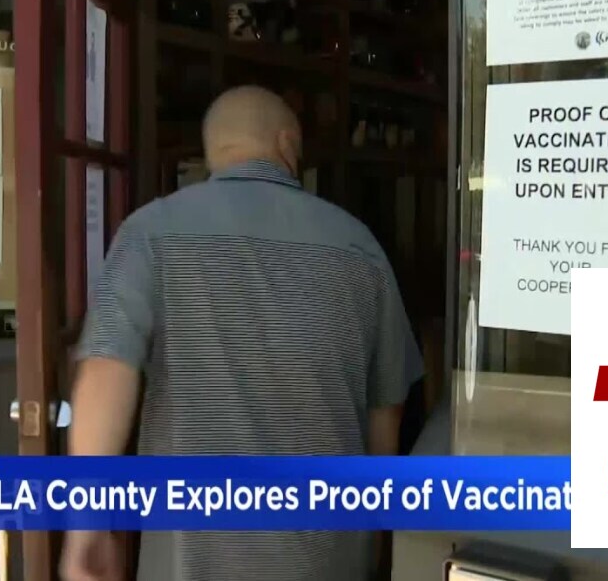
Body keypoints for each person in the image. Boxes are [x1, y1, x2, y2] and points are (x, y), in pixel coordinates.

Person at [61, 85, 423, 581]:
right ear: (287, 143)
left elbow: (107, 370)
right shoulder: (361, 249)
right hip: (328, 555)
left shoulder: (150, 233)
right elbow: (386, 412)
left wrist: (87, 524)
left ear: (214, 151)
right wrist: (377, 533)